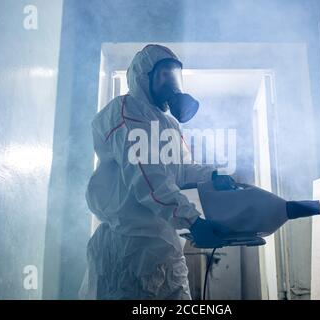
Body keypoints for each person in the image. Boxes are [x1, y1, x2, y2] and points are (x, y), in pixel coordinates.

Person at [82, 44, 230, 300]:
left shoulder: (169, 124)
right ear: (143, 77)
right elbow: (147, 176)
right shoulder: (125, 110)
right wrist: (192, 220)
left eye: (175, 75)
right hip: (132, 248)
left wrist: (212, 176)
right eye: (164, 74)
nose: (172, 83)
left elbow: (180, 170)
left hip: (165, 245)